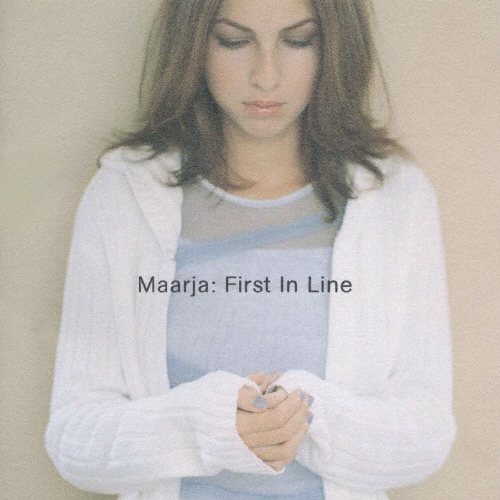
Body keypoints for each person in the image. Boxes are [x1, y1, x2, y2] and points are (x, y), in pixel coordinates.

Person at [45, 1, 456, 499]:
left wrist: (303, 416)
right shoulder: (125, 195)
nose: (266, 76)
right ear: (195, 45)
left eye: (297, 41)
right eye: (234, 42)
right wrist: (209, 426)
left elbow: (427, 432)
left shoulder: (394, 197)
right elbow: (75, 437)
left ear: (334, 48)